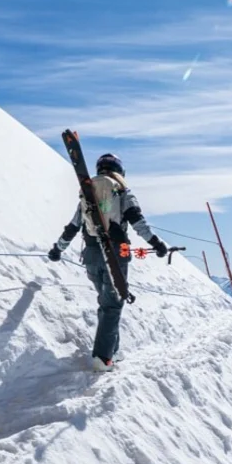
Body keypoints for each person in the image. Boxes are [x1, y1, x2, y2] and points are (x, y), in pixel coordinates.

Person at [48, 153, 167, 372]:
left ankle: (112, 350)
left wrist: (58, 248)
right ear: (120, 171)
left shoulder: (88, 193)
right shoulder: (122, 191)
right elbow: (138, 222)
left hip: (92, 256)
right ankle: (103, 358)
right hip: (115, 255)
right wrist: (156, 243)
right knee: (112, 305)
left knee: (107, 303)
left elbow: (73, 225)